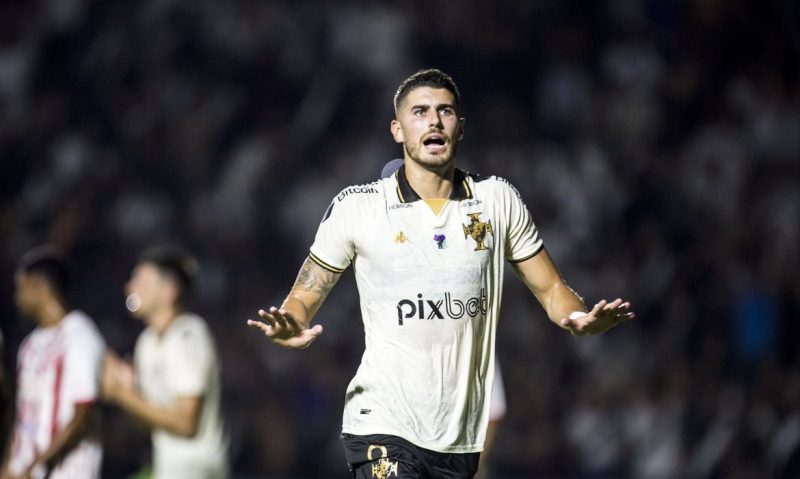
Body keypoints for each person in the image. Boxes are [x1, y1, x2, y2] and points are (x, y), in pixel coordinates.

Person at [247, 68, 634, 478]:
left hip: (459, 437)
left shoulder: (497, 201)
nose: (433, 121)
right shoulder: (357, 208)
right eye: (419, 112)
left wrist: (577, 318)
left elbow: (552, 288)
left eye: (444, 111)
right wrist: (293, 322)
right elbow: (308, 291)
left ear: (460, 128)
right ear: (397, 130)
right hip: (382, 421)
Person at [102, 246, 229, 479]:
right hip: (168, 468)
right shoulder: (146, 342)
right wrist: (131, 392)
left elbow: (186, 424)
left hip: (198, 470)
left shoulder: (188, 335)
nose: (130, 288)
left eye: (141, 281)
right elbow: (148, 423)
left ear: (169, 291)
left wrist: (122, 394)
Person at [1, 246, 105, 479]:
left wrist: (37, 466)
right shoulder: (30, 345)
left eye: (21, 287)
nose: (17, 297)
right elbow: (23, 415)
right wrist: (9, 464)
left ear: (38, 287)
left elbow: (82, 414)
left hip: (67, 472)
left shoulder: (79, 335)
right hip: (25, 471)